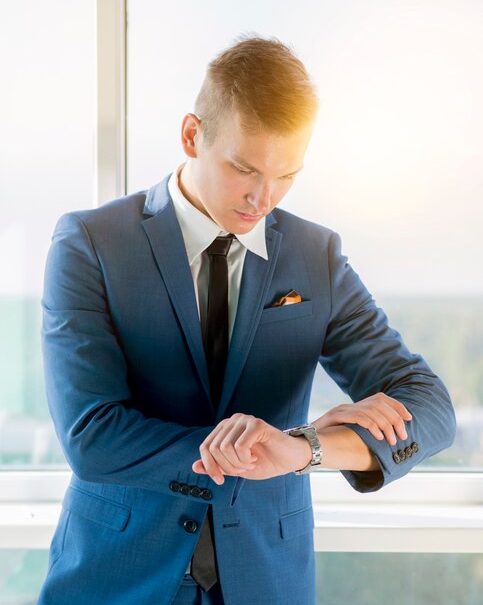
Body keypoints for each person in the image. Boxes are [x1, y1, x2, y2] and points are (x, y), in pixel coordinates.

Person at [38, 36, 455, 605]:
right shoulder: (91, 243)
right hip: (118, 576)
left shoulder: (316, 257)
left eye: (287, 175)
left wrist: (305, 447)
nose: (264, 197)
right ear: (192, 135)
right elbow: (93, 436)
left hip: (266, 579)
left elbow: (430, 408)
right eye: (244, 168)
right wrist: (258, 450)